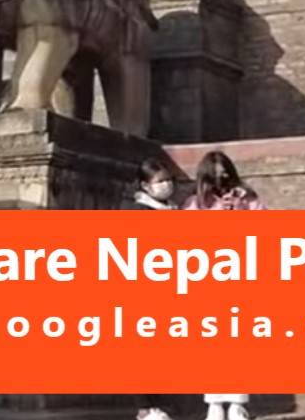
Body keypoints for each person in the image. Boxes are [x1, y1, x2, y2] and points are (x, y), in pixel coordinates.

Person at [185, 151, 261, 420]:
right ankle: (214, 402)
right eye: (215, 178)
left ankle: (238, 402)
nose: (222, 183)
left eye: (225, 176)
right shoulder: (195, 205)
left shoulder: (248, 200)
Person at [131, 157, 180, 420]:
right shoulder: (139, 212)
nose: (166, 185)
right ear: (145, 185)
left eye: (168, 180)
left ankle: (163, 405)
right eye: (160, 181)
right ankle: (146, 407)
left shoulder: (173, 210)